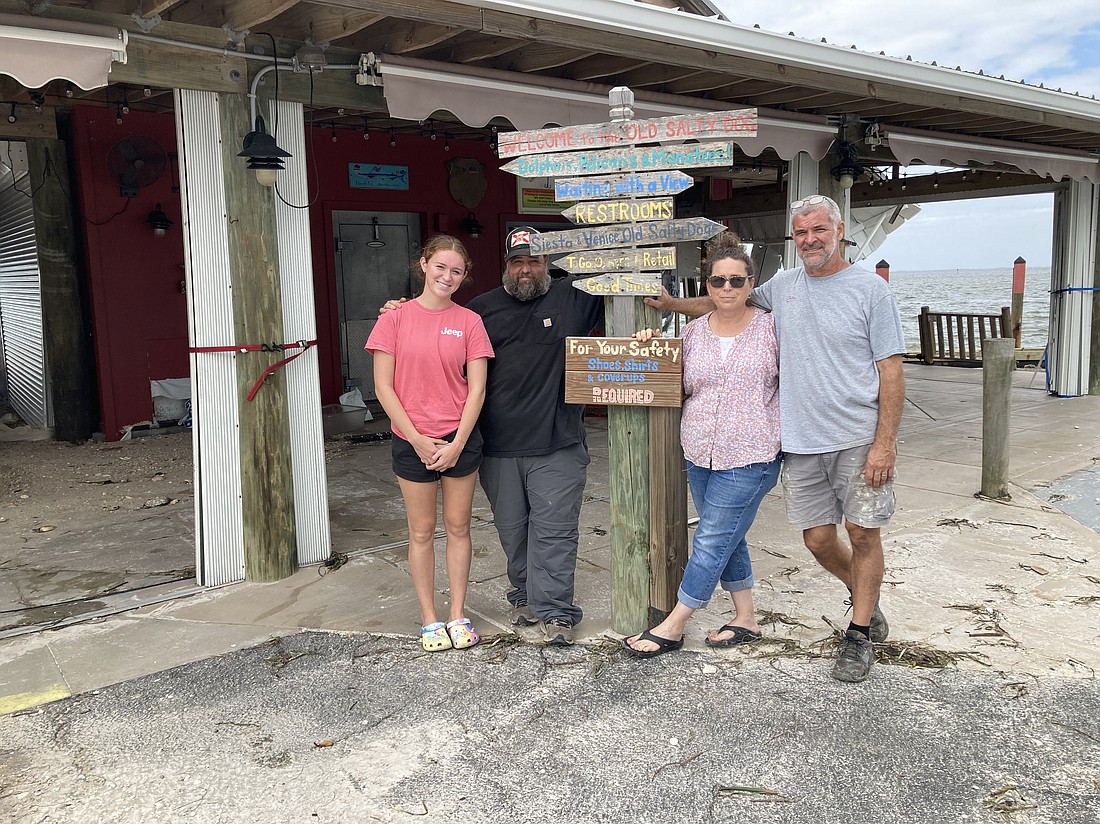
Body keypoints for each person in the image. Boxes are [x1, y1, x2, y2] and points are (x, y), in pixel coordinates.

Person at [645, 195, 905, 682]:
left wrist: (884, 442)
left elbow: (890, 369)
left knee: (862, 533)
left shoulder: (871, 291)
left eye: (819, 230)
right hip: (801, 441)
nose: (809, 239)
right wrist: (671, 307)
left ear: (840, 230)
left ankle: (859, 631)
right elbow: (725, 300)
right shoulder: (782, 286)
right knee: (818, 539)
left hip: (855, 437)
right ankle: (864, 596)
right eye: (801, 232)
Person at [382, 227, 603, 646]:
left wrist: (646, 330)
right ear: (506, 266)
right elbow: (435, 323)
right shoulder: (479, 311)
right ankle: (525, 596)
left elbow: (625, 287)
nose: (525, 269)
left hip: (558, 441)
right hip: (498, 446)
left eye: (534, 261)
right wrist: (399, 309)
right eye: (517, 262)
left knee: (554, 530)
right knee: (512, 529)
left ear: (547, 265)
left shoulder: (573, 296)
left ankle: (556, 612)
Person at [623, 234, 780, 658]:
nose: (726, 288)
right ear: (706, 286)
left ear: (751, 283)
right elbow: (675, 386)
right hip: (698, 453)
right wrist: (649, 350)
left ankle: (673, 624)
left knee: (711, 538)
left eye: (735, 280)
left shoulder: (773, 329)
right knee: (730, 535)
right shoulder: (692, 334)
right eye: (717, 281)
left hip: (752, 455)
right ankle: (745, 616)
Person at [366, 235, 494, 653]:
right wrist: (418, 439)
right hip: (411, 440)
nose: (448, 276)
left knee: (458, 528)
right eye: (440, 266)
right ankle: (429, 619)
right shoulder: (394, 319)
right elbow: (384, 387)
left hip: (459, 441)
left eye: (456, 271)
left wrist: (456, 444)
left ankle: (457, 612)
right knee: (420, 532)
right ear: (423, 264)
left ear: (464, 277)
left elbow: (476, 390)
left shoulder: (470, 321)